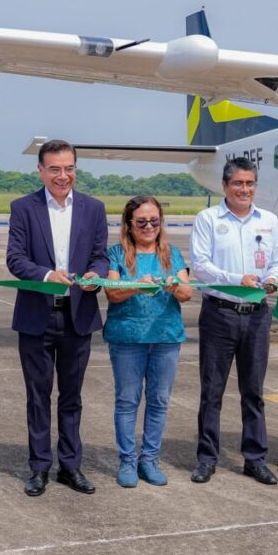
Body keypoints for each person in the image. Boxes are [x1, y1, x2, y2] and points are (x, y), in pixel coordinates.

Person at [6, 139, 108, 497]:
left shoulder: (94, 209)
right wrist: (48, 276)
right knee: (38, 395)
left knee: (72, 397)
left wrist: (96, 275)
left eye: (69, 168)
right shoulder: (24, 208)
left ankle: (71, 465)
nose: (62, 176)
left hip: (77, 316)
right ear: (40, 170)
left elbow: (100, 256)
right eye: (54, 169)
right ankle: (38, 468)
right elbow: (15, 259)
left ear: (76, 169)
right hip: (37, 315)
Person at [189, 158, 278, 486]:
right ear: (225, 186)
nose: (245, 190)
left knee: (253, 391)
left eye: (250, 183)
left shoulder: (269, 220)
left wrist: (272, 277)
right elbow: (200, 265)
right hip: (220, 313)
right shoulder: (208, 219)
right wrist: (235, 279)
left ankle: (255, 458)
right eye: (238, 184)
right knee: (212, 391)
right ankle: (206, 458)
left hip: (256, 315)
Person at [103, 195, 191, 488]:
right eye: (141, 221)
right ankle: (127, 461)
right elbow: (113, 293)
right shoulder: (116, 254)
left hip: (166, 337)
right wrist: (139, 286)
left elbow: (187, 293)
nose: (149, 226)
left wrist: (174, 286)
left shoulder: (172, 254)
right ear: (129, 224)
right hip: (127, 337)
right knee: (127, 401)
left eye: (154, 220)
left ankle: (149, 459)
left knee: (159, 401)